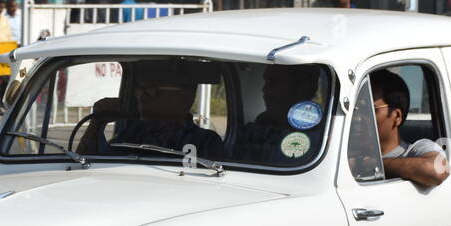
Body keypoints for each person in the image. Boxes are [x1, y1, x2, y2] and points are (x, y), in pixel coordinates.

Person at [78, 61, 223, 159]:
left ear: (185, 98)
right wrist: (97, 123)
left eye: (151, 90)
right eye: (139, 89)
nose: (141, 96)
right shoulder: (131, 134)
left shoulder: (206, 143)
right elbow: (84, 164)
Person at [231, 63, 323, 164]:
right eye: (266, 81)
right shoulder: (262, 123)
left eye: (273, 82)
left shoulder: (321, 133)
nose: (264, 89)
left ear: (301, 87)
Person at [370, 68, 448, 187]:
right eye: (356, 110)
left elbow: (439, 169)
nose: (358, 117)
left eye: (370, 110)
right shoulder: (346, 153)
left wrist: (371, 166)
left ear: (396, 116)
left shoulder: (415, 150)